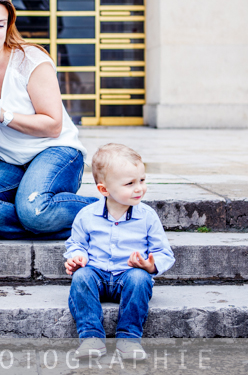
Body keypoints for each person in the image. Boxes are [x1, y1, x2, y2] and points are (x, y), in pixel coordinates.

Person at [0, 0, 97, 239]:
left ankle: (109, 211)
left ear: (8, 26)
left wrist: (1, 112)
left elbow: (53, 124)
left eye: (0, 25)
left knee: (34, 210)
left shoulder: (30, 60)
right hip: (10, 161)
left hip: (55, 151)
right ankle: (47, 225)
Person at [64, 143, 175, 361]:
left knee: (140, 278)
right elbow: (75, 244)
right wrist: (77, 258)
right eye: (130, 183)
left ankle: (129, 339)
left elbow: (164, 252)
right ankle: (91, 338)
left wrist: (150, 265)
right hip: (96, 273)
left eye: (142, 180)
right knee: (81, 277)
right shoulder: (86, 216)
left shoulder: (147, 216)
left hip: (128, 275)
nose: (139, 188)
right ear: (104, 190)